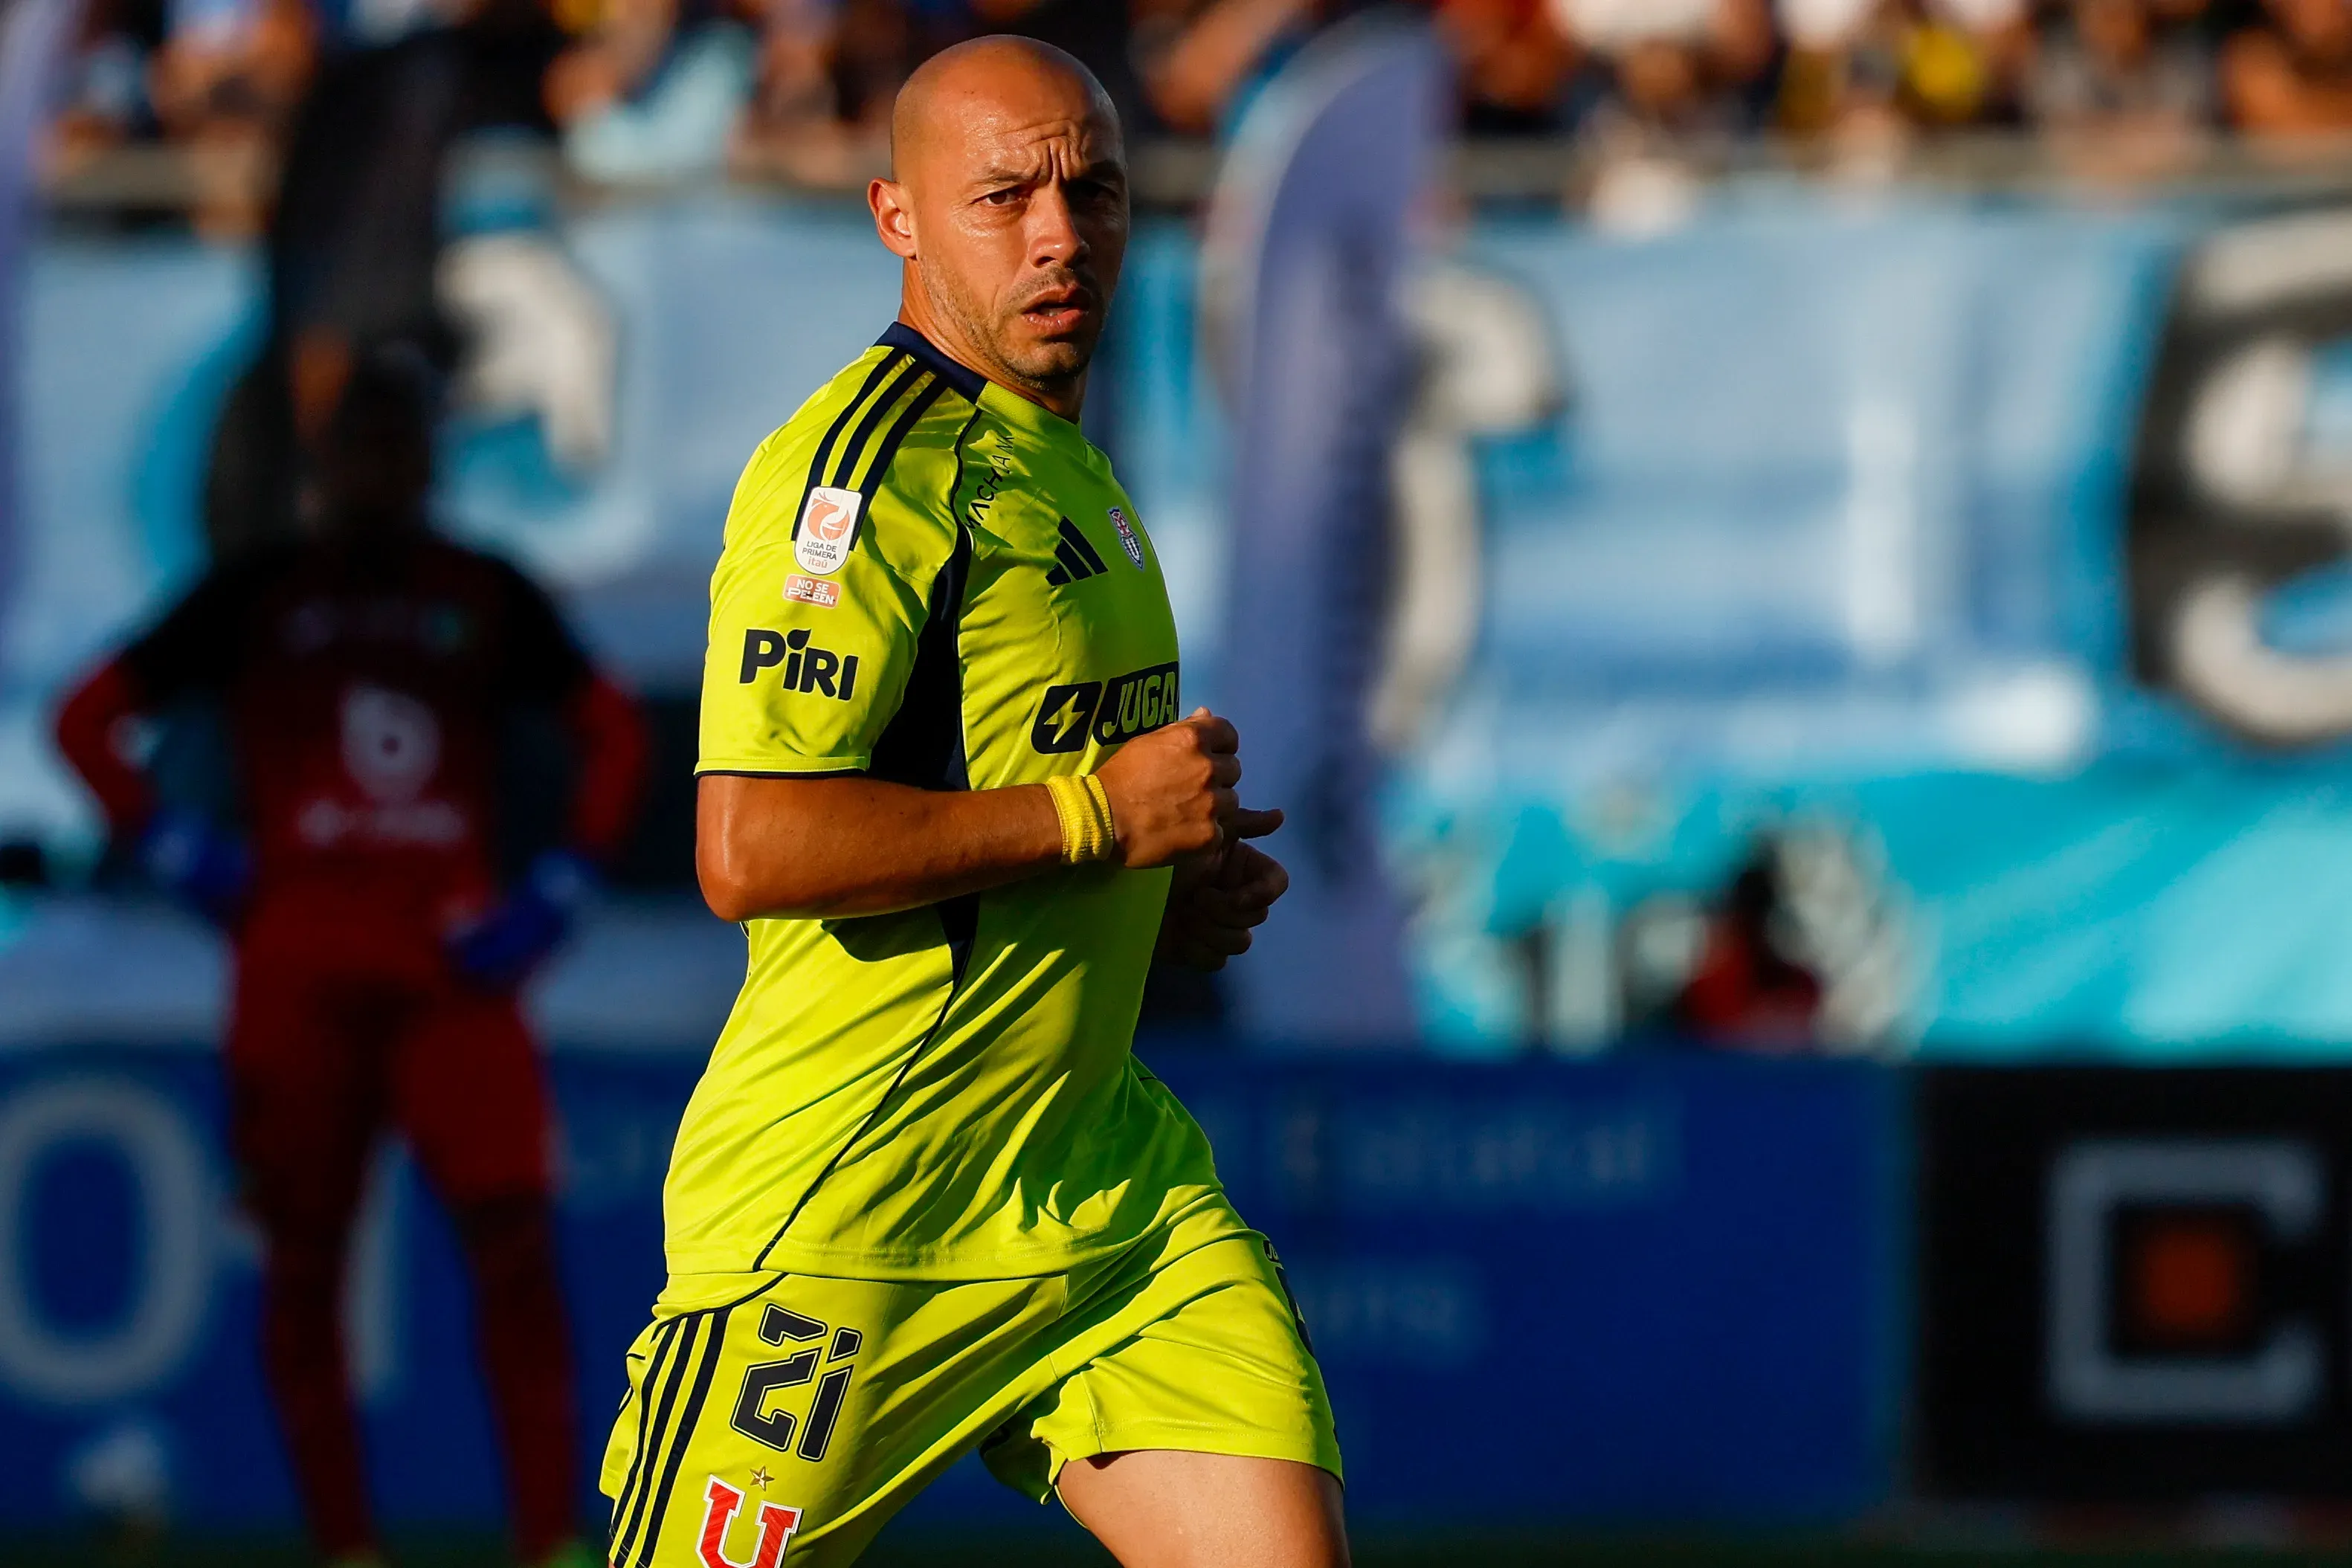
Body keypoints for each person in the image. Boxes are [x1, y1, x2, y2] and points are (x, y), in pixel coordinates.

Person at [600, 36, 1340, 1568]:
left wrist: (1151, 891)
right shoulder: (863, 480)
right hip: (852, 1211)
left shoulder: (1057, 452)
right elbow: (749, 844)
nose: (1062, 233)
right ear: (898, 217)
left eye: (1096, 190)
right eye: (1004, 196)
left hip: (1098, 1197)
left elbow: (1007, 777)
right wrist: (1098, 824)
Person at [54, 354, 647, 1568]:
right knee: (306, 1257)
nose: (382, 465)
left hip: (452, 973)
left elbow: (615, 735)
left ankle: (548, 1538)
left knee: (514, 1247)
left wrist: (558, 885)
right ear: (325, 464)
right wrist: (179, 850)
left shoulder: (482, 592)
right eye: (360, 443)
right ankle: (346, 1546)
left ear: (431, 457)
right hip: (302, 970)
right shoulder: (259, 592)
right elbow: (84, 717)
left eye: (400, 440)